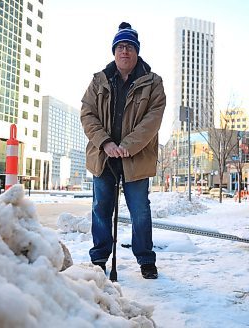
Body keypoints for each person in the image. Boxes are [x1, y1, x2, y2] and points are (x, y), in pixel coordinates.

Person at [80, 22, 166, 279]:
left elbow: (153, 118)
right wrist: (106, 143)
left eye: (129, 47)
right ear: (114, 51)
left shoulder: (153, 83)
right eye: (120, 47)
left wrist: (128, 146)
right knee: (101, 209)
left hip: (135, 157)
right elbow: (87, 113)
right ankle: (99, 258)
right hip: (103, 156)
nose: (124, 51)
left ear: (137, 51)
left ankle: (145, 260)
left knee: (140, 210)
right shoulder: (99, 81)